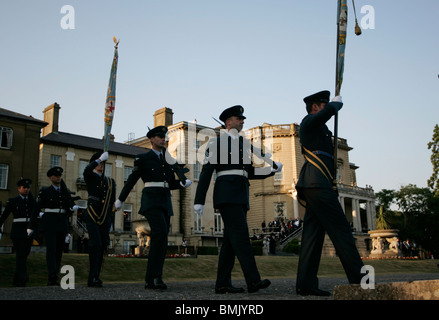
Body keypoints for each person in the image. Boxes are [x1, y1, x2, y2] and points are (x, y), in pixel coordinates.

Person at [194, 105, 283, 294]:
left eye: (242, 119)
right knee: (241, 237)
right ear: (228, 122)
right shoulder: (216, 144)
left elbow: (248, 171)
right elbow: (206, 173)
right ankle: (253, 281)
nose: (243, 121)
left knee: (230, 242)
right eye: (238, 118)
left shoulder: (243, 144)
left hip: (240, 194)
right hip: (227, 195)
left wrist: (270, 170)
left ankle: (222, 284)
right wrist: (199, 200)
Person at [295, 90, 364, 296]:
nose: (327, 108)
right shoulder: (308, 121)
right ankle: (362, 282)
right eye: (323, 104)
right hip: (316, 182)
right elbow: (326, 115)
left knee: (312, 237)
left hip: (319, 182)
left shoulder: (322, 129)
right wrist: (335, 106)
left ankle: (305, 284)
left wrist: (331, 108)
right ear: (315, 107)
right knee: (342, 232)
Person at [114, 126, 192, 290]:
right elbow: (132, 180)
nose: (163, 139)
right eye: (159, 137)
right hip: (151, 201)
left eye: (164, 137)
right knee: (160, 233)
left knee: (162, 240)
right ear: (151, 139)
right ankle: (154, 277)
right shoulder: (143, 158)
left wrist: (182, 184)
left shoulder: (168, 159)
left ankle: (153, 278)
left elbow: (170, 183)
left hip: (165, 201)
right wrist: (120, 199)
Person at [29, 167, 78, 286]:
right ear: (51, 178)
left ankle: (55, 274)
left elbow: (68, 205)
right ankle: (51, 275)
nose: (58, 178)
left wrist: (72, 208)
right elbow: (36, 208)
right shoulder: (46, 191)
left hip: (62, 222)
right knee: (51, 250)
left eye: (59, 176)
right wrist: (31, 225)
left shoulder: (64, 191)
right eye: (56, 176)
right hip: (50, 223)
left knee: (59, 251)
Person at [83, 151, 116, 287]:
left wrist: (111, 223)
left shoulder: (110, 182)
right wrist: (97, 160)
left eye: (103, 162)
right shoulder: (90, 176)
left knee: (102, 246)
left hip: (105, 215)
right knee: (95, 244)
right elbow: (86, 170)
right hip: (92, 214)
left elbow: (111, 204)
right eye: (99, 162)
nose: (101, 165)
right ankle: (92, 276)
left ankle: (96, 275)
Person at [0, 178, 36, 286]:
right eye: (24, 188)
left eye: (28, 188)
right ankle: (22, 277)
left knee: (25, 254)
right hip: (18, 231)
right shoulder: (13, 201)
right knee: (20, 254)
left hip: (28, 231)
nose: (26, 190)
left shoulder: (32, 201)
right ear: (19, 189)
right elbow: (4, 215)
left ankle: (17, 280)